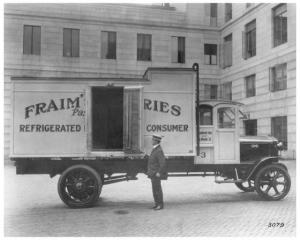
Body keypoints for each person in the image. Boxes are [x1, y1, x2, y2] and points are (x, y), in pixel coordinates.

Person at [147, 134, 167, 210]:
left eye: (153, 140)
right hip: (153, 173)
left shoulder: (158, 150)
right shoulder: (155, 149)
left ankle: (160, 205)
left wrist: (159, 172)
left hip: (156, 173)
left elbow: (163, 163)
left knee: (157, 189)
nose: (151, 141)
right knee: (155, 189)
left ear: (156, 141)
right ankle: (156, 204)